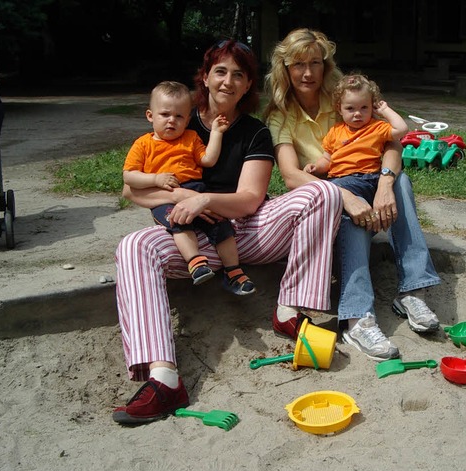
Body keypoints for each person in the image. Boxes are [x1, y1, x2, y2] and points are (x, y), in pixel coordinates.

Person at [112, 39, 343, 425]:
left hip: (249, 231)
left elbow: (250, 200)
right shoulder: (178, 119)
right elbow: (130, 189)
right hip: (192, 241)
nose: (228, 81)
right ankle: (164, 378)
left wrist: (204, 200)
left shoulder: (254, 132)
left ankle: (290, 309)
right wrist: (187, 197)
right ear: (205, 77)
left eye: (239, 74)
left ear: (249, 83)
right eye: (220, 71)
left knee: (322, 191)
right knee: (134, 245)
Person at [264, 28, 441, 362]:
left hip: (367, 180)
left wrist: (386, 182)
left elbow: (390, 141)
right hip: (323, 198)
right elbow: (291, 176)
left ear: (326, 66)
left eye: (315, 63)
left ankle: (412, 291)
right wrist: (344, 197)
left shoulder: (343, 100)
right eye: (298, 64)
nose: (307, 72)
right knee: (346, 208)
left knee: (400, 183)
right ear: (284, 68)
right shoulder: (280, 115)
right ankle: (358, 317)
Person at [123, 80, 255, 295]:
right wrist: (155, 180)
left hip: (196, 189)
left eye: (179, 116)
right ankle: (195, 262)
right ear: (150, 116)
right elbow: (129, 176)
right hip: (164, 195)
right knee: (179, 223)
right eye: (165, 115)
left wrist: (216, 133)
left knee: (221, 224)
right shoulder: (143, 144)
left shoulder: (190, 138)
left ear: (187, 120)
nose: (171, 121)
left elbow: (209, 160)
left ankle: (233, 271)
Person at [305, 73, 408, 208]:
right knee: (329, 191)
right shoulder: (335, 131)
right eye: (350, 108)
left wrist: (385, 110)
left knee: (330, 191)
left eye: (364, 107)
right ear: (339, 109)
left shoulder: (376, 128)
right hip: (340, 178)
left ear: (372, 106)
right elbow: (327, 159)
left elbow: (402, 129)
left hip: (366, 178)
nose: (358, 113)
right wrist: (316, 168)